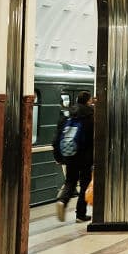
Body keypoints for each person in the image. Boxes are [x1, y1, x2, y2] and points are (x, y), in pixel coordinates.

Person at [53, 90, 94, 223]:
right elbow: (94, 139)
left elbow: (56, 138)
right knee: (84, 184)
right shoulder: (91, 116)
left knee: (70, 181)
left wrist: (58, 156)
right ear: (88, 101)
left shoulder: (68, 115)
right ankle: (80, 214)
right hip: (85, 157)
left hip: (70, 155)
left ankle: (62, 200)